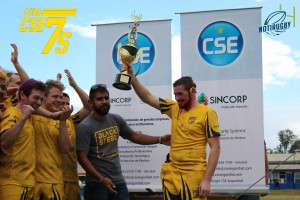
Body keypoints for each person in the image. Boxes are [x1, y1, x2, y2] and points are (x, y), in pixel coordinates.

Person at [122, 64, 221, 200]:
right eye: (175, 94)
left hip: (193, 174)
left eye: (180, 94)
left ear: (193, 90)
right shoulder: (174, 108)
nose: (177, 98)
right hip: (172, 174)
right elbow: (147, 97)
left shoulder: (207, 113)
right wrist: (132, 77)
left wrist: (207, 180)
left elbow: (215, 148)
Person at [76, 84, 170, 200]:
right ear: (90, 102)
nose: (104, 101)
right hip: (96, 184)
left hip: (118, 182)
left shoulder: (115, 119)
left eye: (106, 98)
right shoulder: (85, 126)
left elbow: (135, 136)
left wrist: (160, 139)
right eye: (99, 99)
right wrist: (101, 179)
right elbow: (82, 158)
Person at [0, 79, 46, 199]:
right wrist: (23, 117)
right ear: (22, 95)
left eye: (41, 99)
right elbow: (5, 142)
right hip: (12, 185)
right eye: (36, 98)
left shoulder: (29, 117)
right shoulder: (11, 113)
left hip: (28, 184)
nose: (39, 102)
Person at [58, 69, 92, 200]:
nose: (65, 106)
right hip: (53, 179)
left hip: (71, 178)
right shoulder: (45, 119)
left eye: (67, 103)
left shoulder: (72, 120)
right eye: (62, 103)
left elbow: (89, 107)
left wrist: (74, 85)